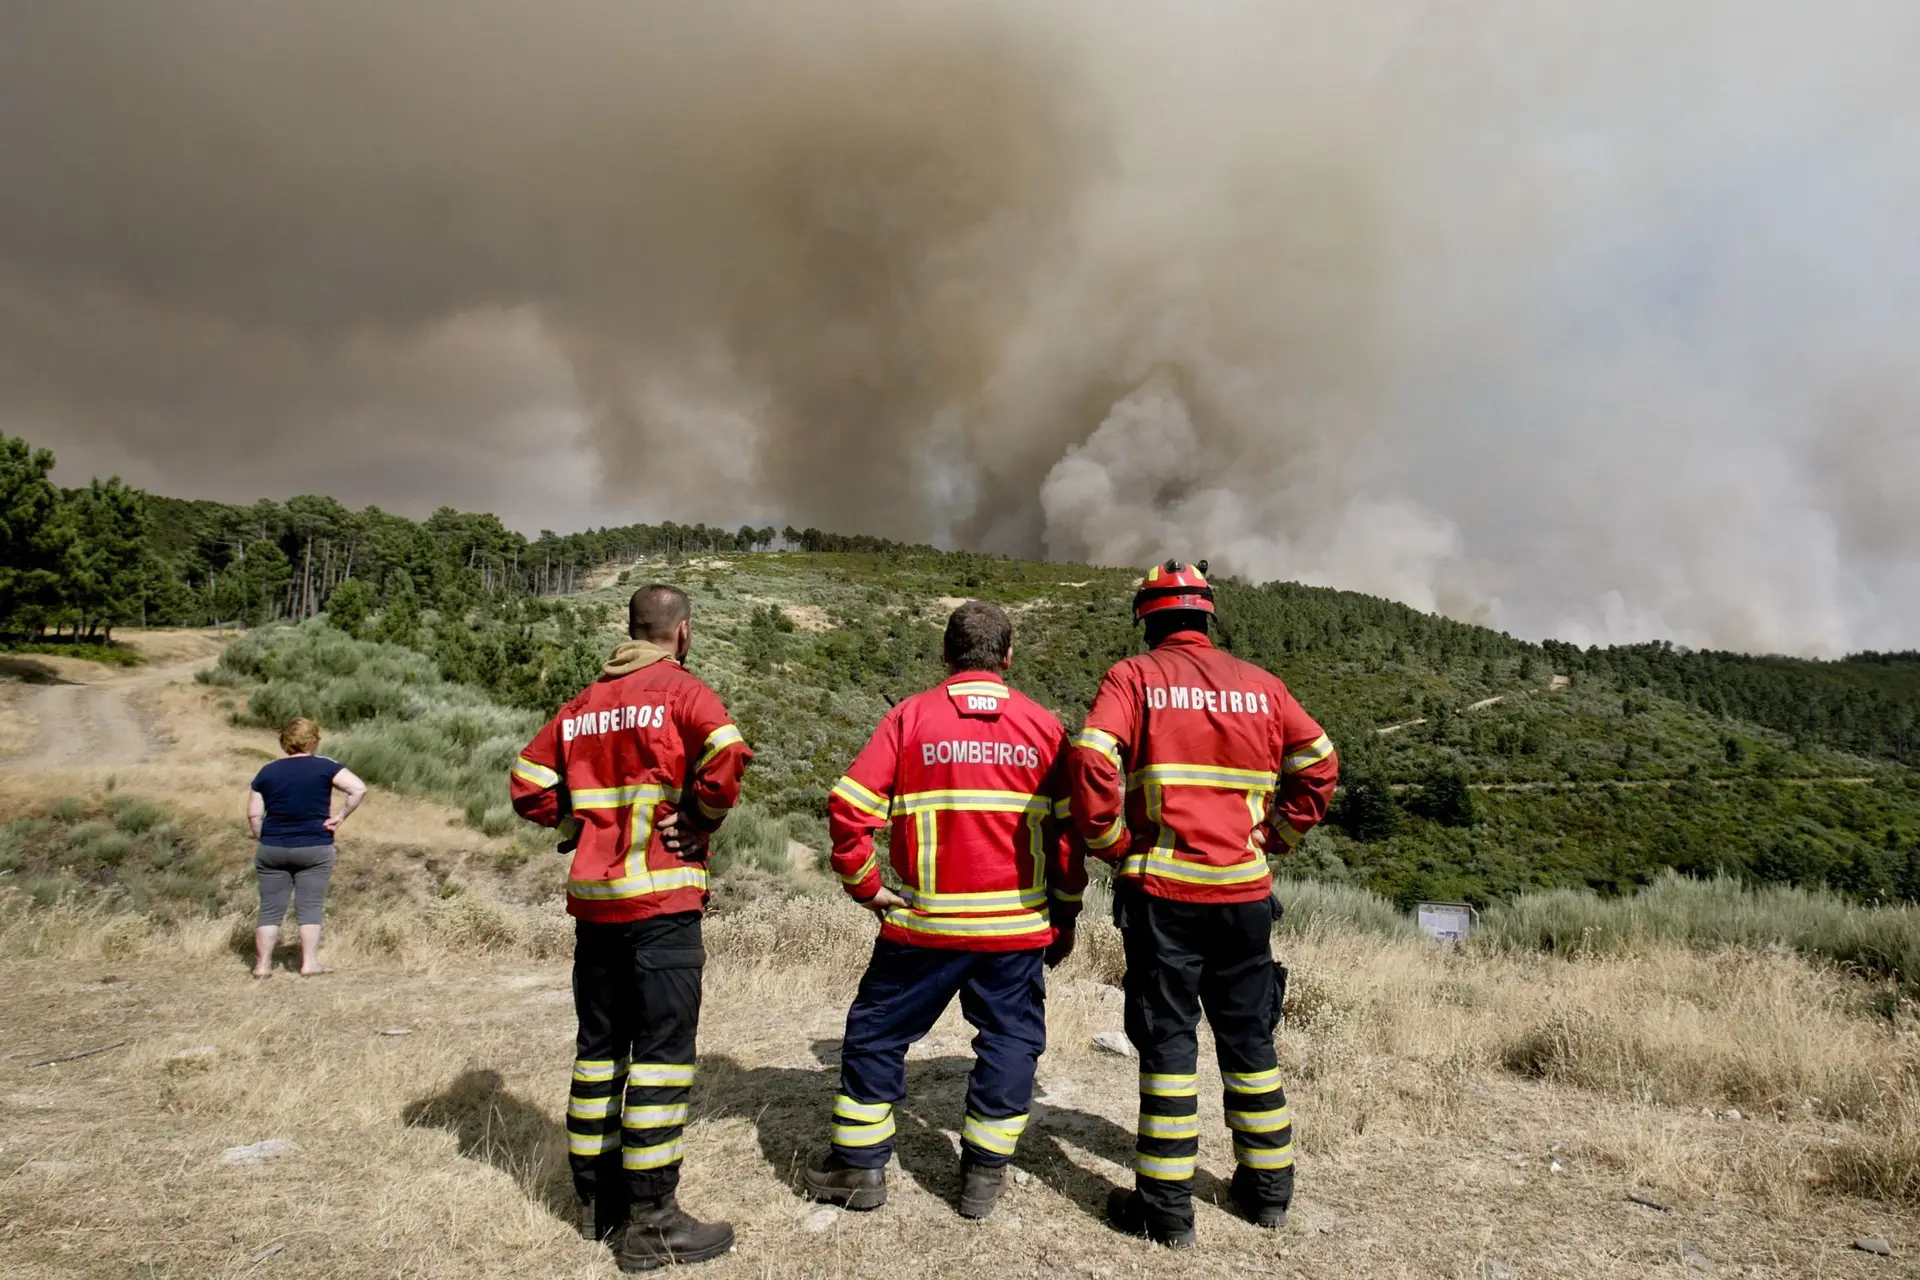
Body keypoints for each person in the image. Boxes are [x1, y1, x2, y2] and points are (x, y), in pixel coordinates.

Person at [1068, 560, 1338, 1247]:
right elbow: (1320, 762)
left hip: (1164, 893)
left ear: (1150, 621)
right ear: (1208, 618)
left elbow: (1094, 759)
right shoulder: (1264, 686)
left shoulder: (1134, 678)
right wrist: (1274, 836)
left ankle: (1166, 1212)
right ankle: (1268, 1194)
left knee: (1168, 1045)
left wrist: (1112, 841)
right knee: (1250, 1039)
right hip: (1244, 892)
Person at [804, 601, 1084, 1221]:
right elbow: (1068, 839)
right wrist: (1064, 915)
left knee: (876, 1033)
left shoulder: (910, 718)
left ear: (946, 655)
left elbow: (849, 808)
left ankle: (858, 1168)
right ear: (1008, 658)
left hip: (924, 925)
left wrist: (867, 886)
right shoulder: (1044, 728)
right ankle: (983, 1178)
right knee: (1010, 1041)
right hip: (1014, 931)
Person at [509, 583, 750, 1273]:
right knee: (662, 1060)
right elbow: (728, 755)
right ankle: (654, 1221)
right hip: (662, 906)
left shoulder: (582, 704)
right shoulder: (680, 690)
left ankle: (594, 1203)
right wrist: (699, 819)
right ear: (682, 633)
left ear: (631, 629)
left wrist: (577, 820)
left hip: (595, 906)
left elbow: (526, 782)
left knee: (598, 1053)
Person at [247, 716, 366, 978]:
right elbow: (358, 788)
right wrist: (341, 816)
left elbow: (254, 815)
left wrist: (261, 837)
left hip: (273, 846)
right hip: (314, 844)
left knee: (270, 907)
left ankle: (262, 965)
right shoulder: (325, 767)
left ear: (285, 743)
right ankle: (309, 963)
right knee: (309, 905)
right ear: (312, 741)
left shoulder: (267, 771)